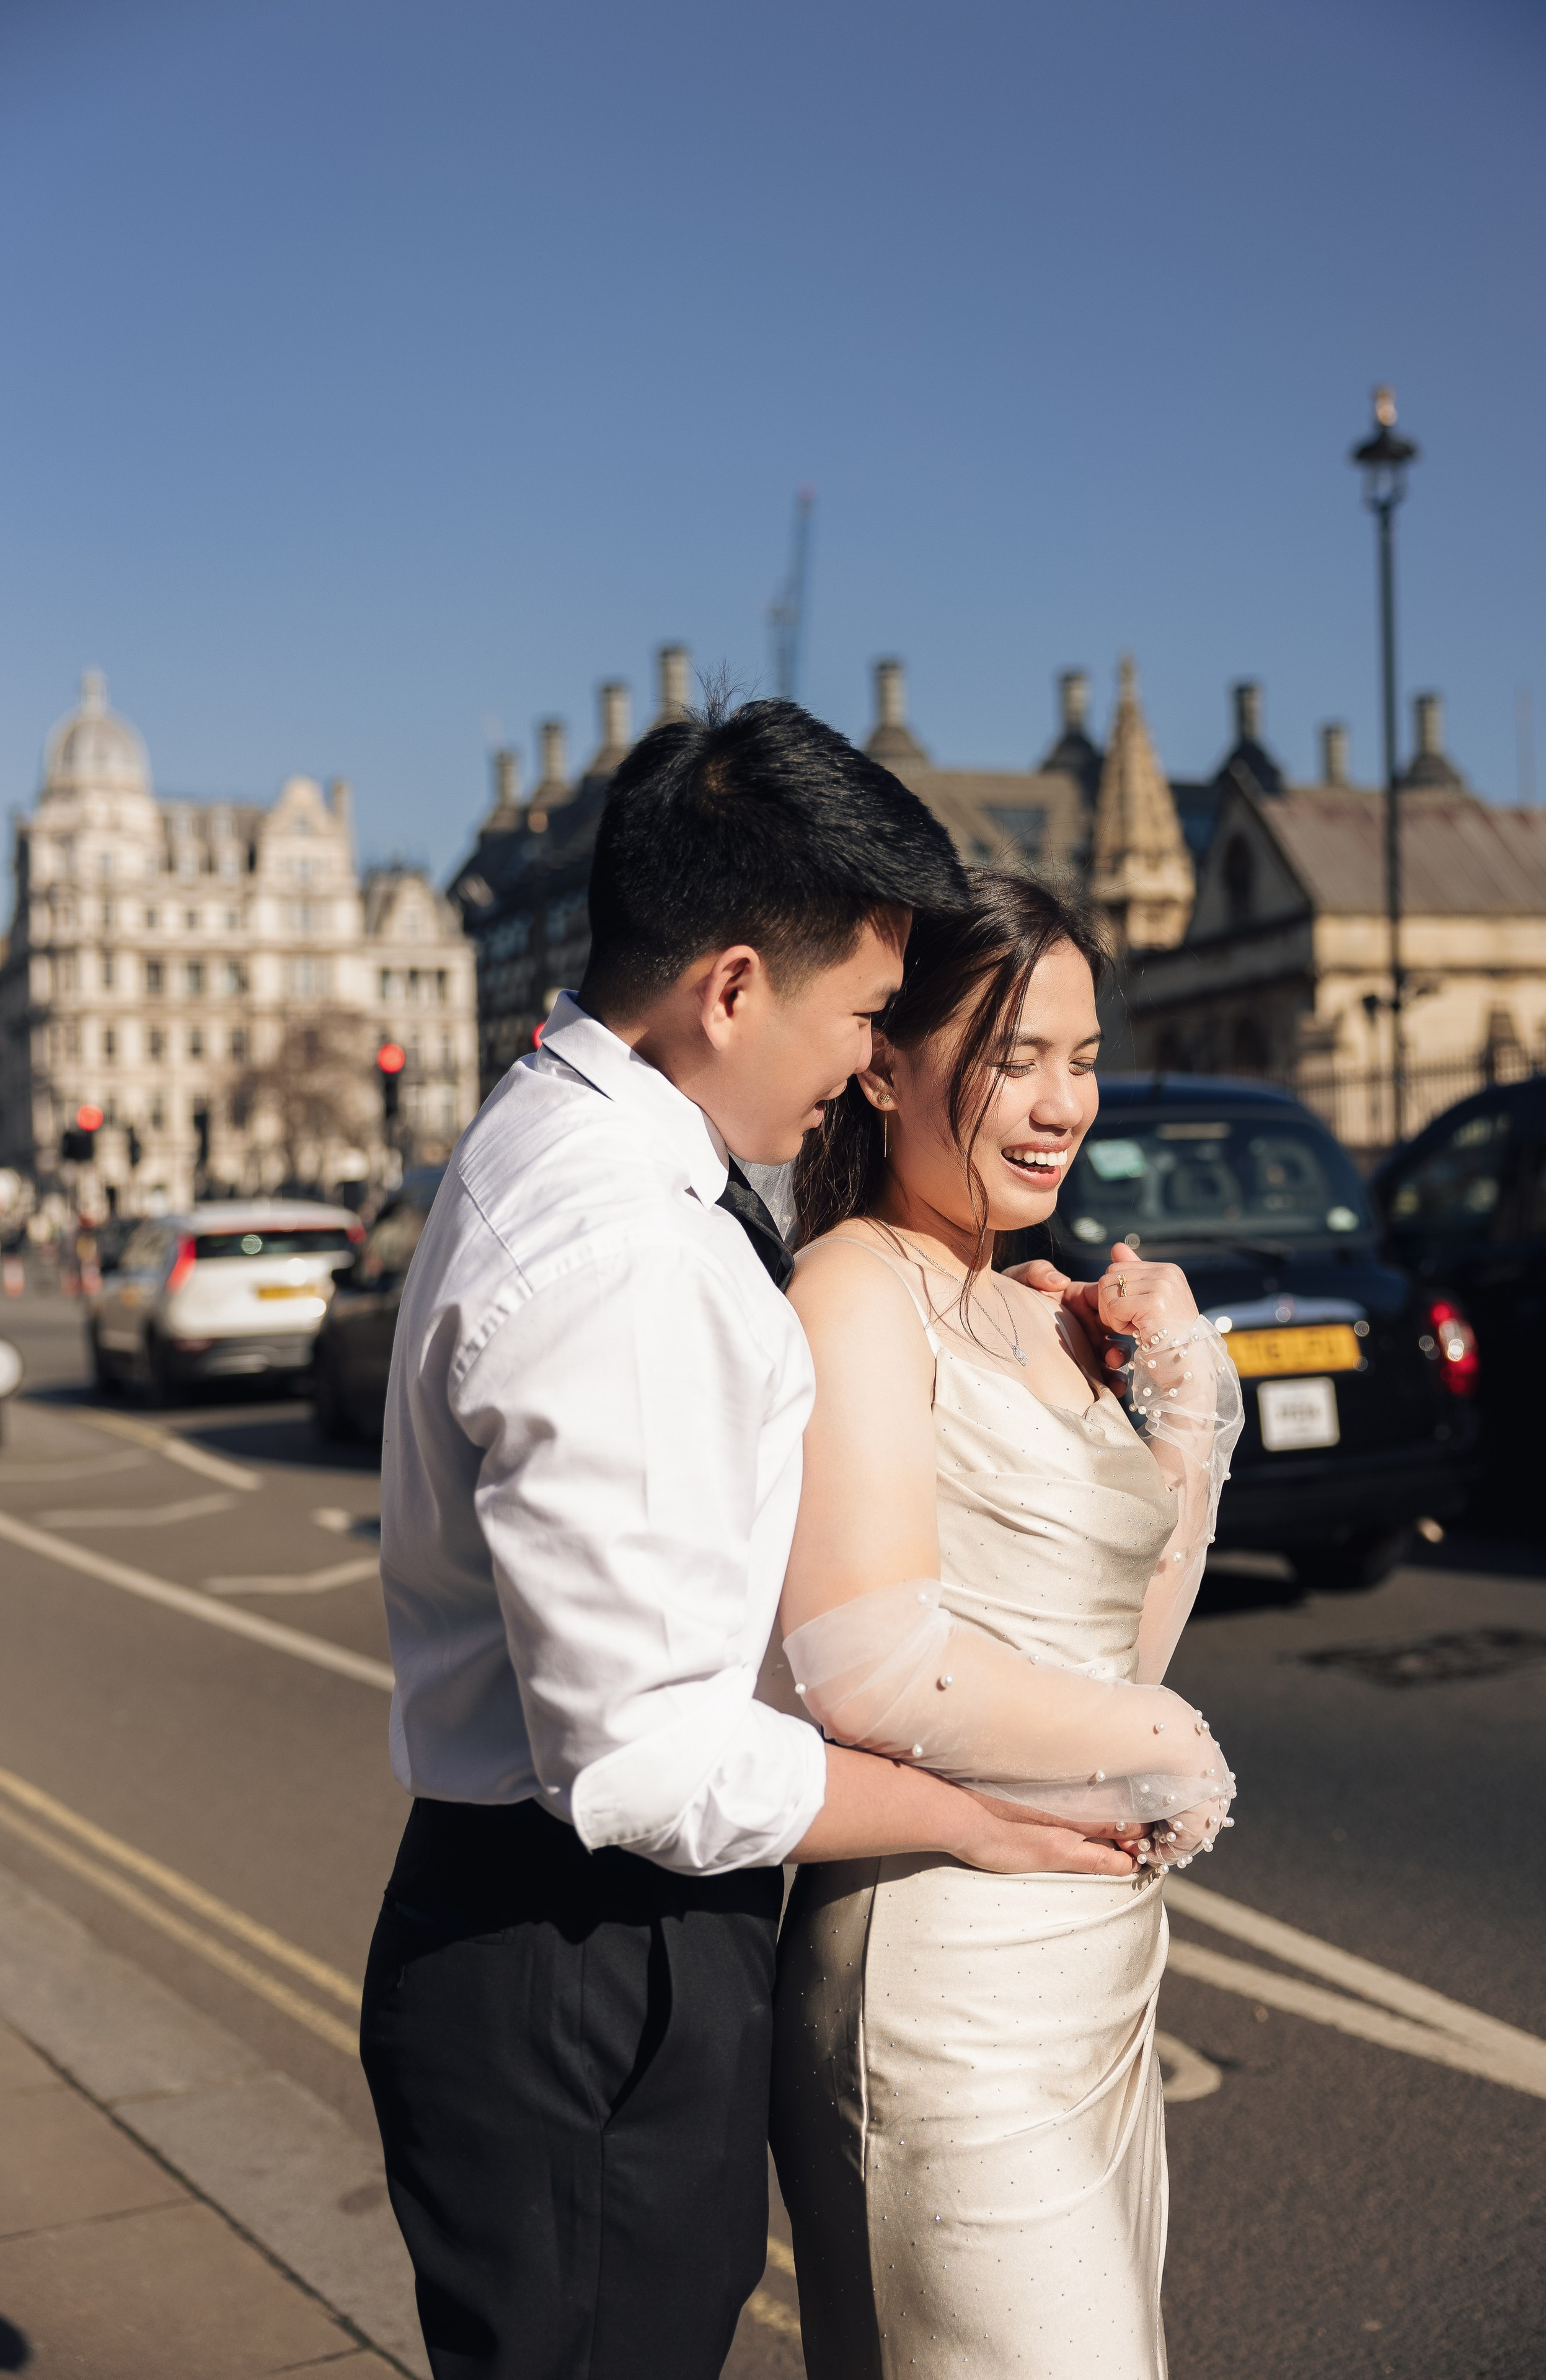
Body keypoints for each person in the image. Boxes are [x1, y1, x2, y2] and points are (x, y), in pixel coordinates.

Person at [360, 702, 1142, 2380]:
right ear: (728, 987)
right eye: (864, 1012)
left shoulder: (611, 1147)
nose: (873, 1057)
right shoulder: (616, 1249)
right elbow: (643, 1769)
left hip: (582, 1939)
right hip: (586, 1956)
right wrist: (967, 1817)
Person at [770, 870, 1243, 2380]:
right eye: (1011, 1056)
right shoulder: (851, 1288)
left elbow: (1119, 1647)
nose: (1058, 1107)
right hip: (941, 1993)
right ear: (886, 1063)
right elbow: (867, 1663)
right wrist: (1155, 1746)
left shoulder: (1042, 1310)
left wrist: (1187, 1404)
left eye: (1082, 1059)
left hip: (1098, 1967)